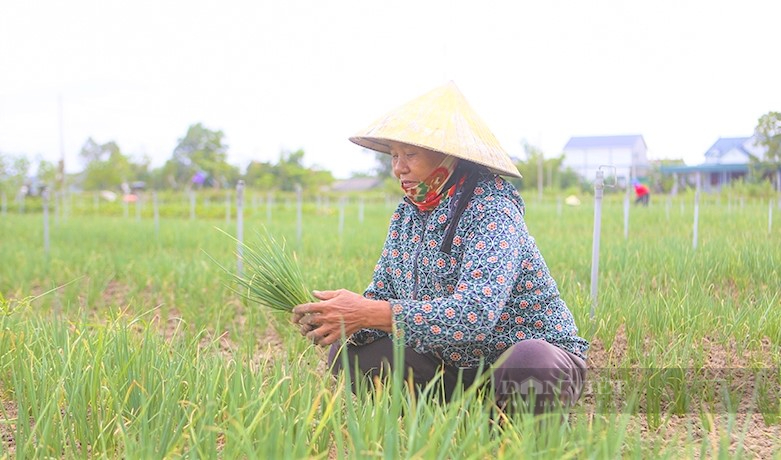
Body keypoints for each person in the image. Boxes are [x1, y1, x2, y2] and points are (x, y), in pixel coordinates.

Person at [292, 82, 589, 413]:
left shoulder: (492, 208)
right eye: (394, 155)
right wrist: (336, 319)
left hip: (528, 360)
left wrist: (366, 313)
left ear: (449, 156)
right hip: (453, 366)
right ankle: (451, 421)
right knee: (350, 355)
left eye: (410, 154)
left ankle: (506, 427)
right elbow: (380, 294)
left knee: (530, 360)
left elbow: (476, 315)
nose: (398, 167)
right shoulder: (407, 215)